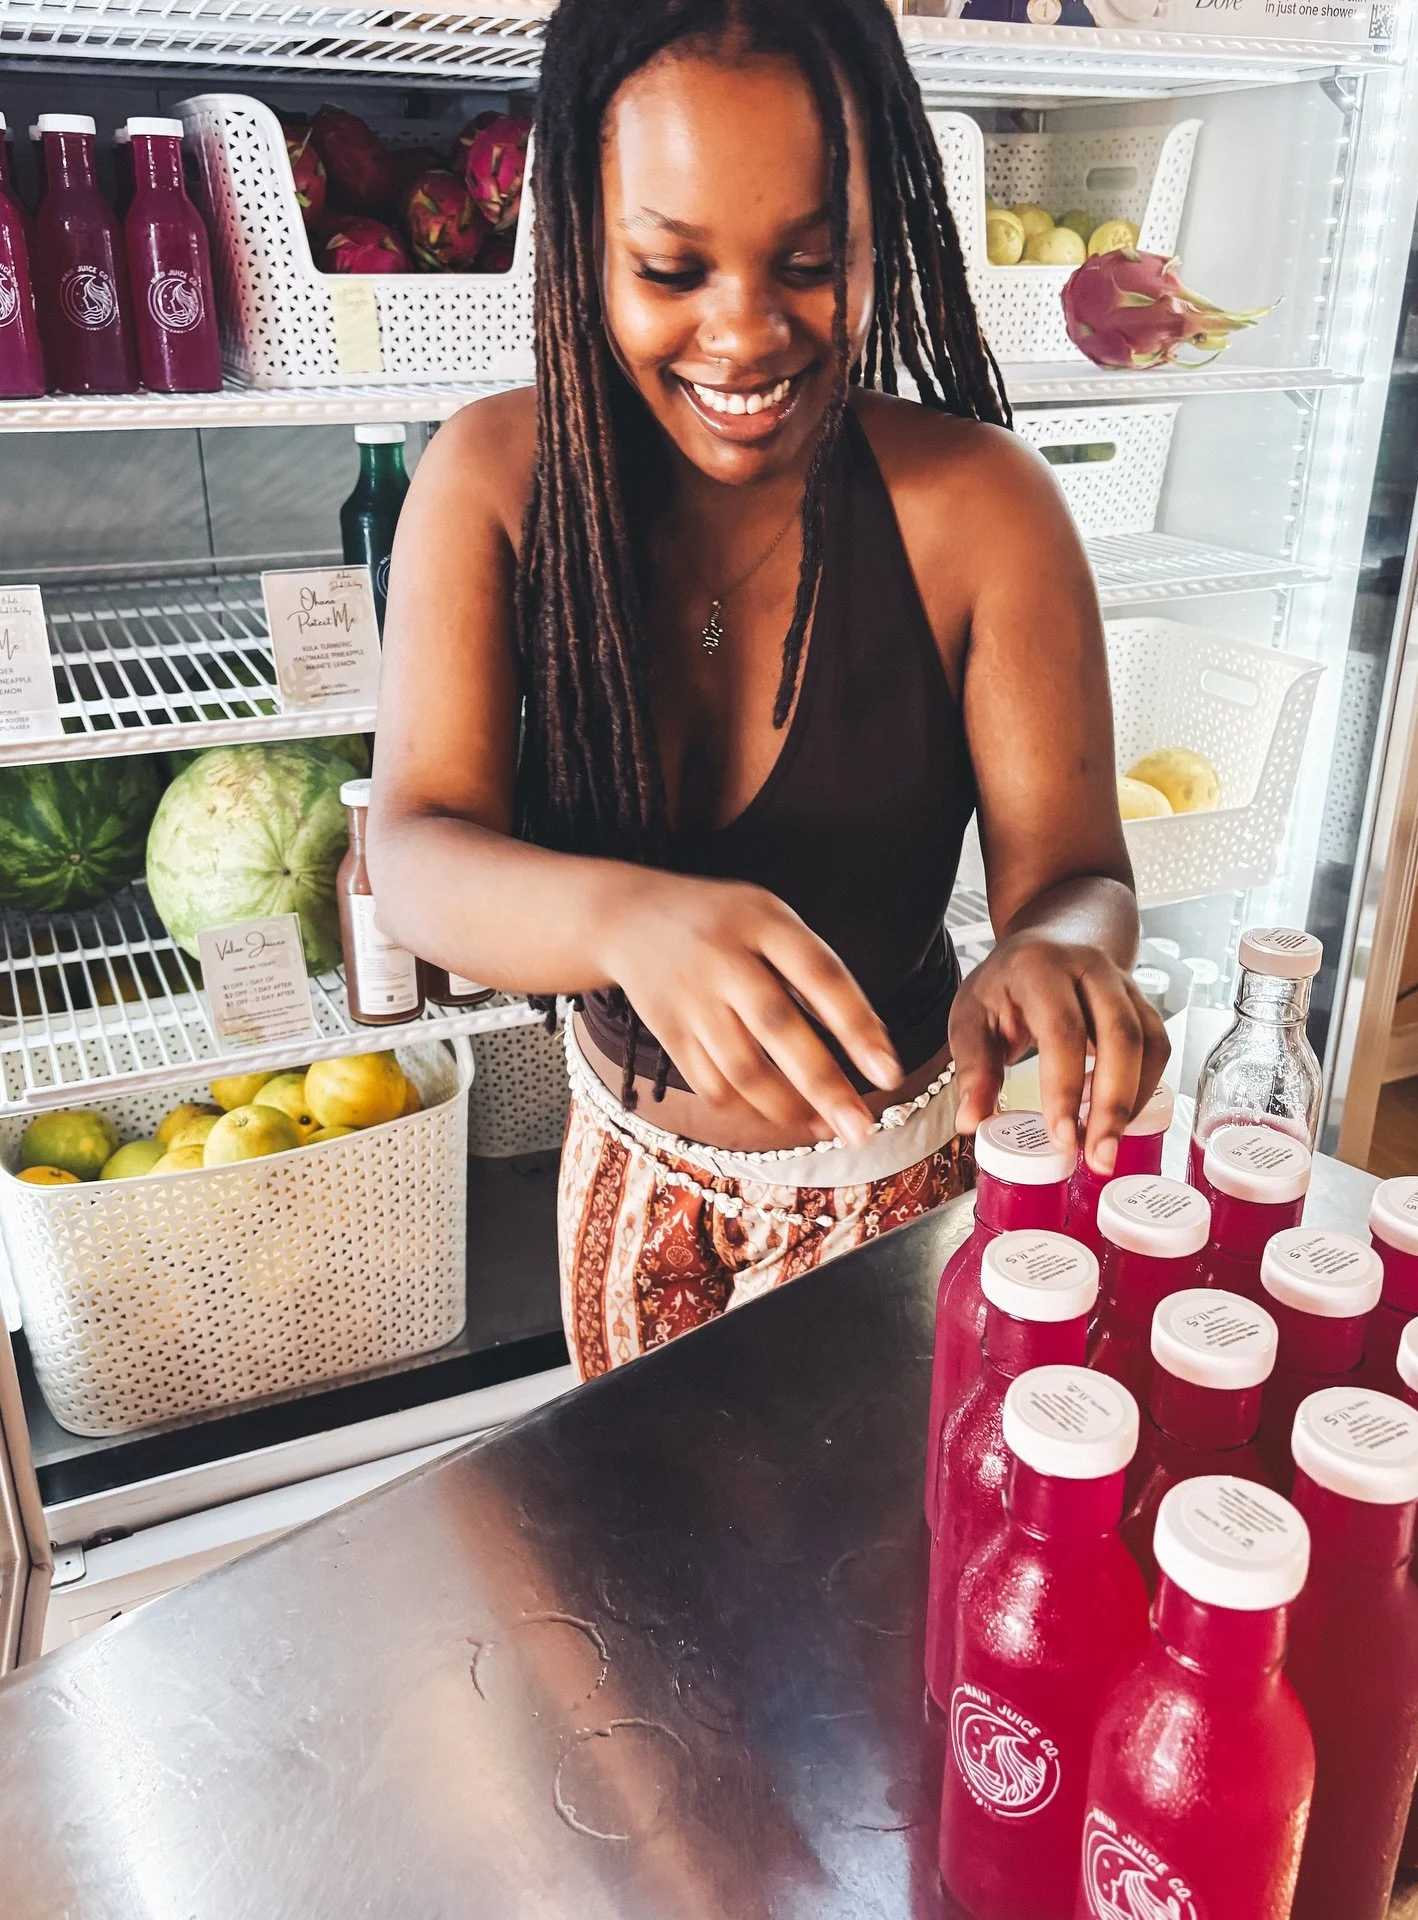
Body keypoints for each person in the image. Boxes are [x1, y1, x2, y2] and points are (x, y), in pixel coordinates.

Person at [368, 0, 1169, 1379]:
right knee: (623, 1580)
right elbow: (417, 851)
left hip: (899, 1198)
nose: (743, 336)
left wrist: (1060, 950)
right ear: (580, 243)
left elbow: (1079, 872)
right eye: (670, 269)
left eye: (810, 262)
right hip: (627, 1177)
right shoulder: (491, 480)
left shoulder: (981, 511)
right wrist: (624, 918)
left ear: (884, 237)